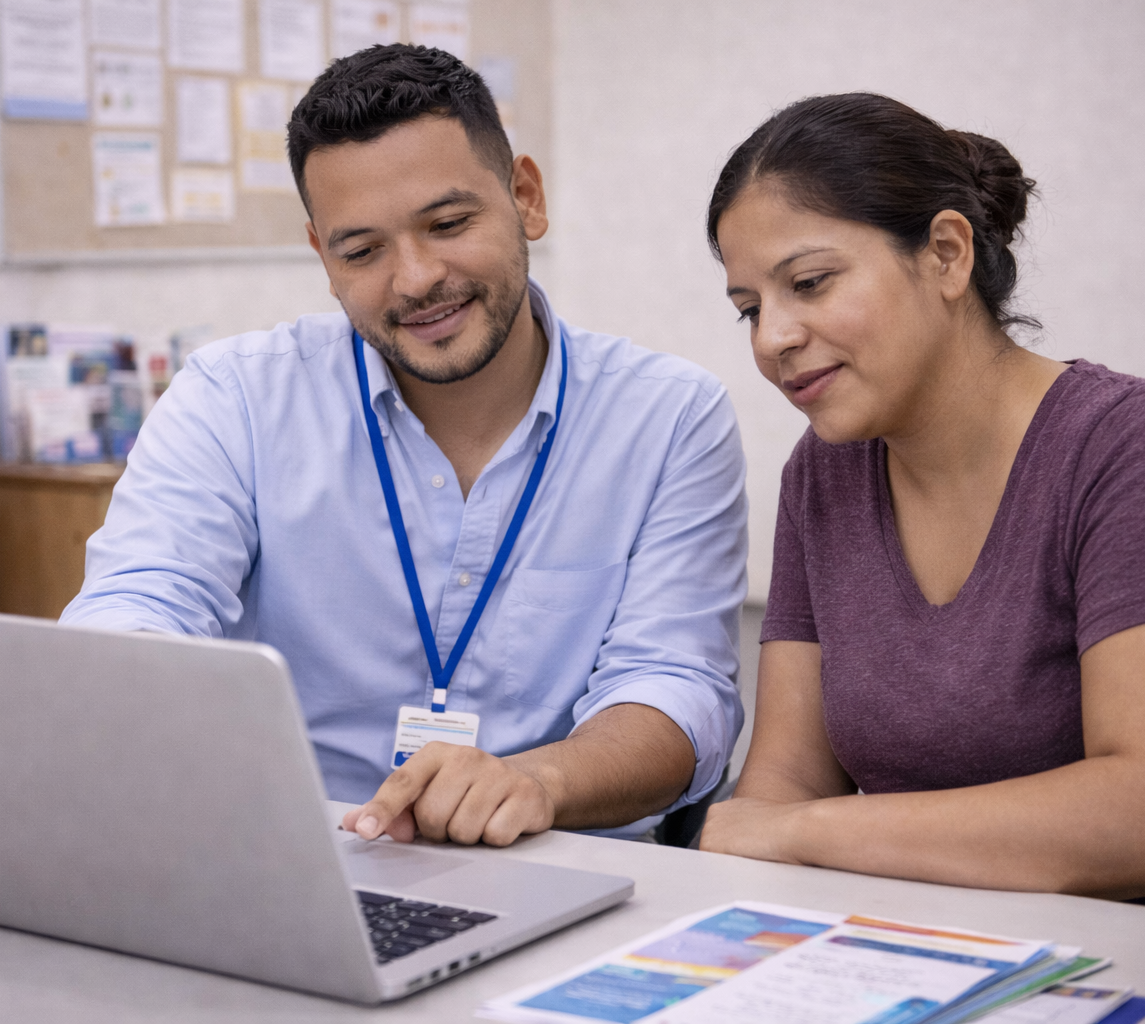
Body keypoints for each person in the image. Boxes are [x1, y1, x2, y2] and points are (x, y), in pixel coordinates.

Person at [62, 45, 747, 848]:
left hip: (560, 863)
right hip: (299, 859)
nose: (416, 278)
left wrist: (534, 781)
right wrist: (126, 679)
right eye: (363, 251)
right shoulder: (235, 397)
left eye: (448, 224)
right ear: (323, 258)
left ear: (525, 197)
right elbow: (140, 601)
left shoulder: (669, 418)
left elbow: (677, 690)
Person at [698, 92, 1145, 909]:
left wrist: (801, 832)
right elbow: (784, 781)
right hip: (953, 940)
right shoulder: (822, 475)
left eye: (811, 284)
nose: (770, 339)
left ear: (947, 254)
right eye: (749, 310)